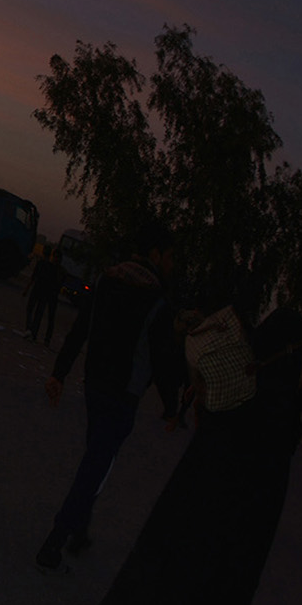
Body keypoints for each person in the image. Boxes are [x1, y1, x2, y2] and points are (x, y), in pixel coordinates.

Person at [24, 305, 302, 605]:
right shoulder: (273, 413)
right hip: (222, 561)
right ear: (289, 355)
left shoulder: (237, 393)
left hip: (176, 539)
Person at [34, 224, 183, 571]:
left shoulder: (106, 281)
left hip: (95, 386)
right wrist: (172, 407)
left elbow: (79, 330)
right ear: (156, 254)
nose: (172, 265)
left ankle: (79, 531)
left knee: (95, 460)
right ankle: (56, 540)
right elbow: (162, 361)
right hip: (123, 397)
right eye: (170, 257)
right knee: (96, 467)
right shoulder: (158, 301)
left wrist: (60, 372)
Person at [23, 243, 64, 345]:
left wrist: (27, 289)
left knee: (32, 310)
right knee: (39, 314)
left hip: (39, 291)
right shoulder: (53, 268)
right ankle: (34, 333)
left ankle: (30, 329)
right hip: (45, 293)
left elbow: (33, 277)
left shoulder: (42, 264)